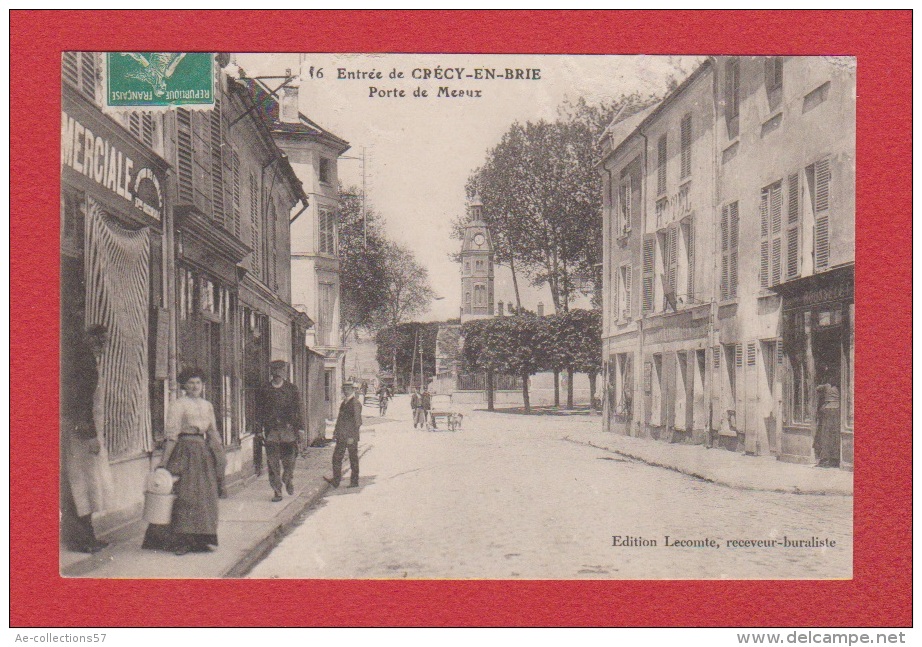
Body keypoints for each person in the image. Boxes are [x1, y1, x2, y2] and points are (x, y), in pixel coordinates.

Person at [143, 368, 226, 555]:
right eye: (191, 383)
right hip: (184, 450)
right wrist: (164, 461)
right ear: (184, 386)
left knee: (204, 496)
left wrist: (219, 454)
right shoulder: (178, 405)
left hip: (203, 452)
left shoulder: (207, 405)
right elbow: (172, 435)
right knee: (184, 495)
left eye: (198, 382)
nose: (195, 386)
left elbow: (212, 431)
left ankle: (200, 539)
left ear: (203, 385)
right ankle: (181, 541)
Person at [60, 324, 115, 553]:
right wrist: (90, 436)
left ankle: (87, 536)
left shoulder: (88, 362)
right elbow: (79, 403)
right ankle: (79, 539)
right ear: (88, 341)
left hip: (85, 432)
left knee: (88, 486)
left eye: (104, 342)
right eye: (98, 342)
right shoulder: (84, 364)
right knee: (80, 485)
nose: (102, 346)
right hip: (80, 435)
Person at [259, 360, 304, 501]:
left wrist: (301, 429)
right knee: (272, 463)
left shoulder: (292, 389)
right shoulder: (265, 389)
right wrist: (259, 430)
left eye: (281, 371)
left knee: (289, 461)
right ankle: (277, 490)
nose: (278, 374)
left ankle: (288, 478)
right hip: (271, 431)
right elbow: (258, 411)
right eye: (275, 372)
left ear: (284, 373)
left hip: (288, 430)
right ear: (272, 373)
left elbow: (299, 410)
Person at [324, 382, 363, 488]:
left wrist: (352, 437)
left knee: (353, 458)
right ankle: (336, 481)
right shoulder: (344, 403)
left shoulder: (355, 403)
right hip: (341, 436)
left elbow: (358, 422)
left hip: (350, 437)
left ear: (352, 390)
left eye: (348, 389)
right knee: (336, 458)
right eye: (344, 389)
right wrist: (335, 433)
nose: (346, 391)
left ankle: (354, 481)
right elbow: (340, 420)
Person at [814, 367, 841, 468]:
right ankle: (835, 458)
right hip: (837, 410)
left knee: (825, 435)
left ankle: (825, 459)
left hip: (828, 410)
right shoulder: (838, 386)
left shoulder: (827, 386)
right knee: (834, 434)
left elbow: (817, 388)